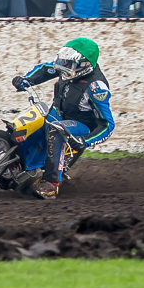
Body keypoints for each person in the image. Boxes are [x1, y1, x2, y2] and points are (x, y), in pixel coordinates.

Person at [12, 38, 115, 200]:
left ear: (84, 66)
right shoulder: (68, 66)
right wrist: (26, 80)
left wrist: (85, 140)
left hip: (82, 125)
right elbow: (47, 69)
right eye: (63, 61)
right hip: (59, 111)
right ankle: (18, 162)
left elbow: (107, 125)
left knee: (55, 129)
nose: (63, 67)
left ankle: (51, 185)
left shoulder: (97, 87)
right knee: (36, 120)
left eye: (68, 64)